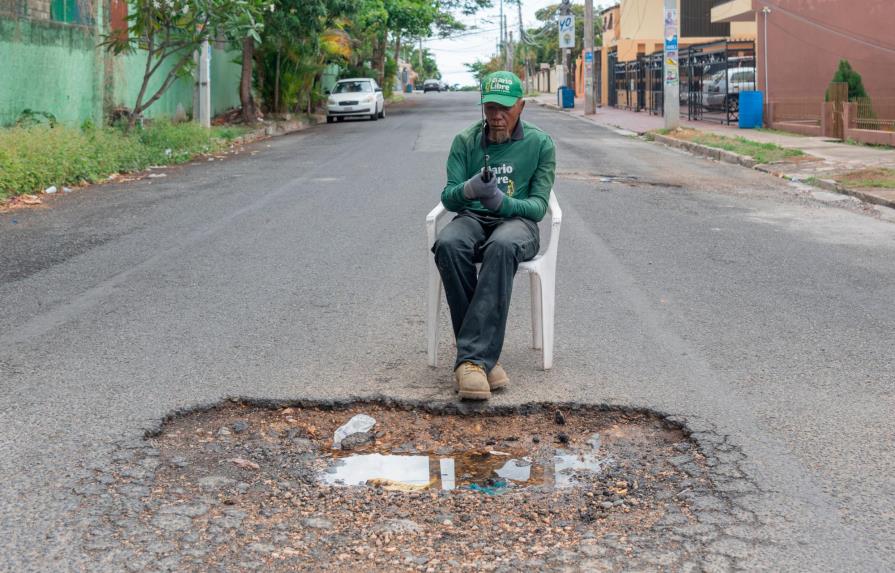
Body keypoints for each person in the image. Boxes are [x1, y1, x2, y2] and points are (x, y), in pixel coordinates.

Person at [433, 71, 556, 400]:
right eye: (490, 109)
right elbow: (449, 197)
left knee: (500, 246)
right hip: (473, 217)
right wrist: (470, 188)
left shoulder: (540, 144)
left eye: (504, 109)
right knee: (448, 243)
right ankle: (483, 362)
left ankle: (472, 360)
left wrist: (503, 202)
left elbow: (539, 207)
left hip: (518, 223)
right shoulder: (465, 141)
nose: (497, 117)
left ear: (521, 106)